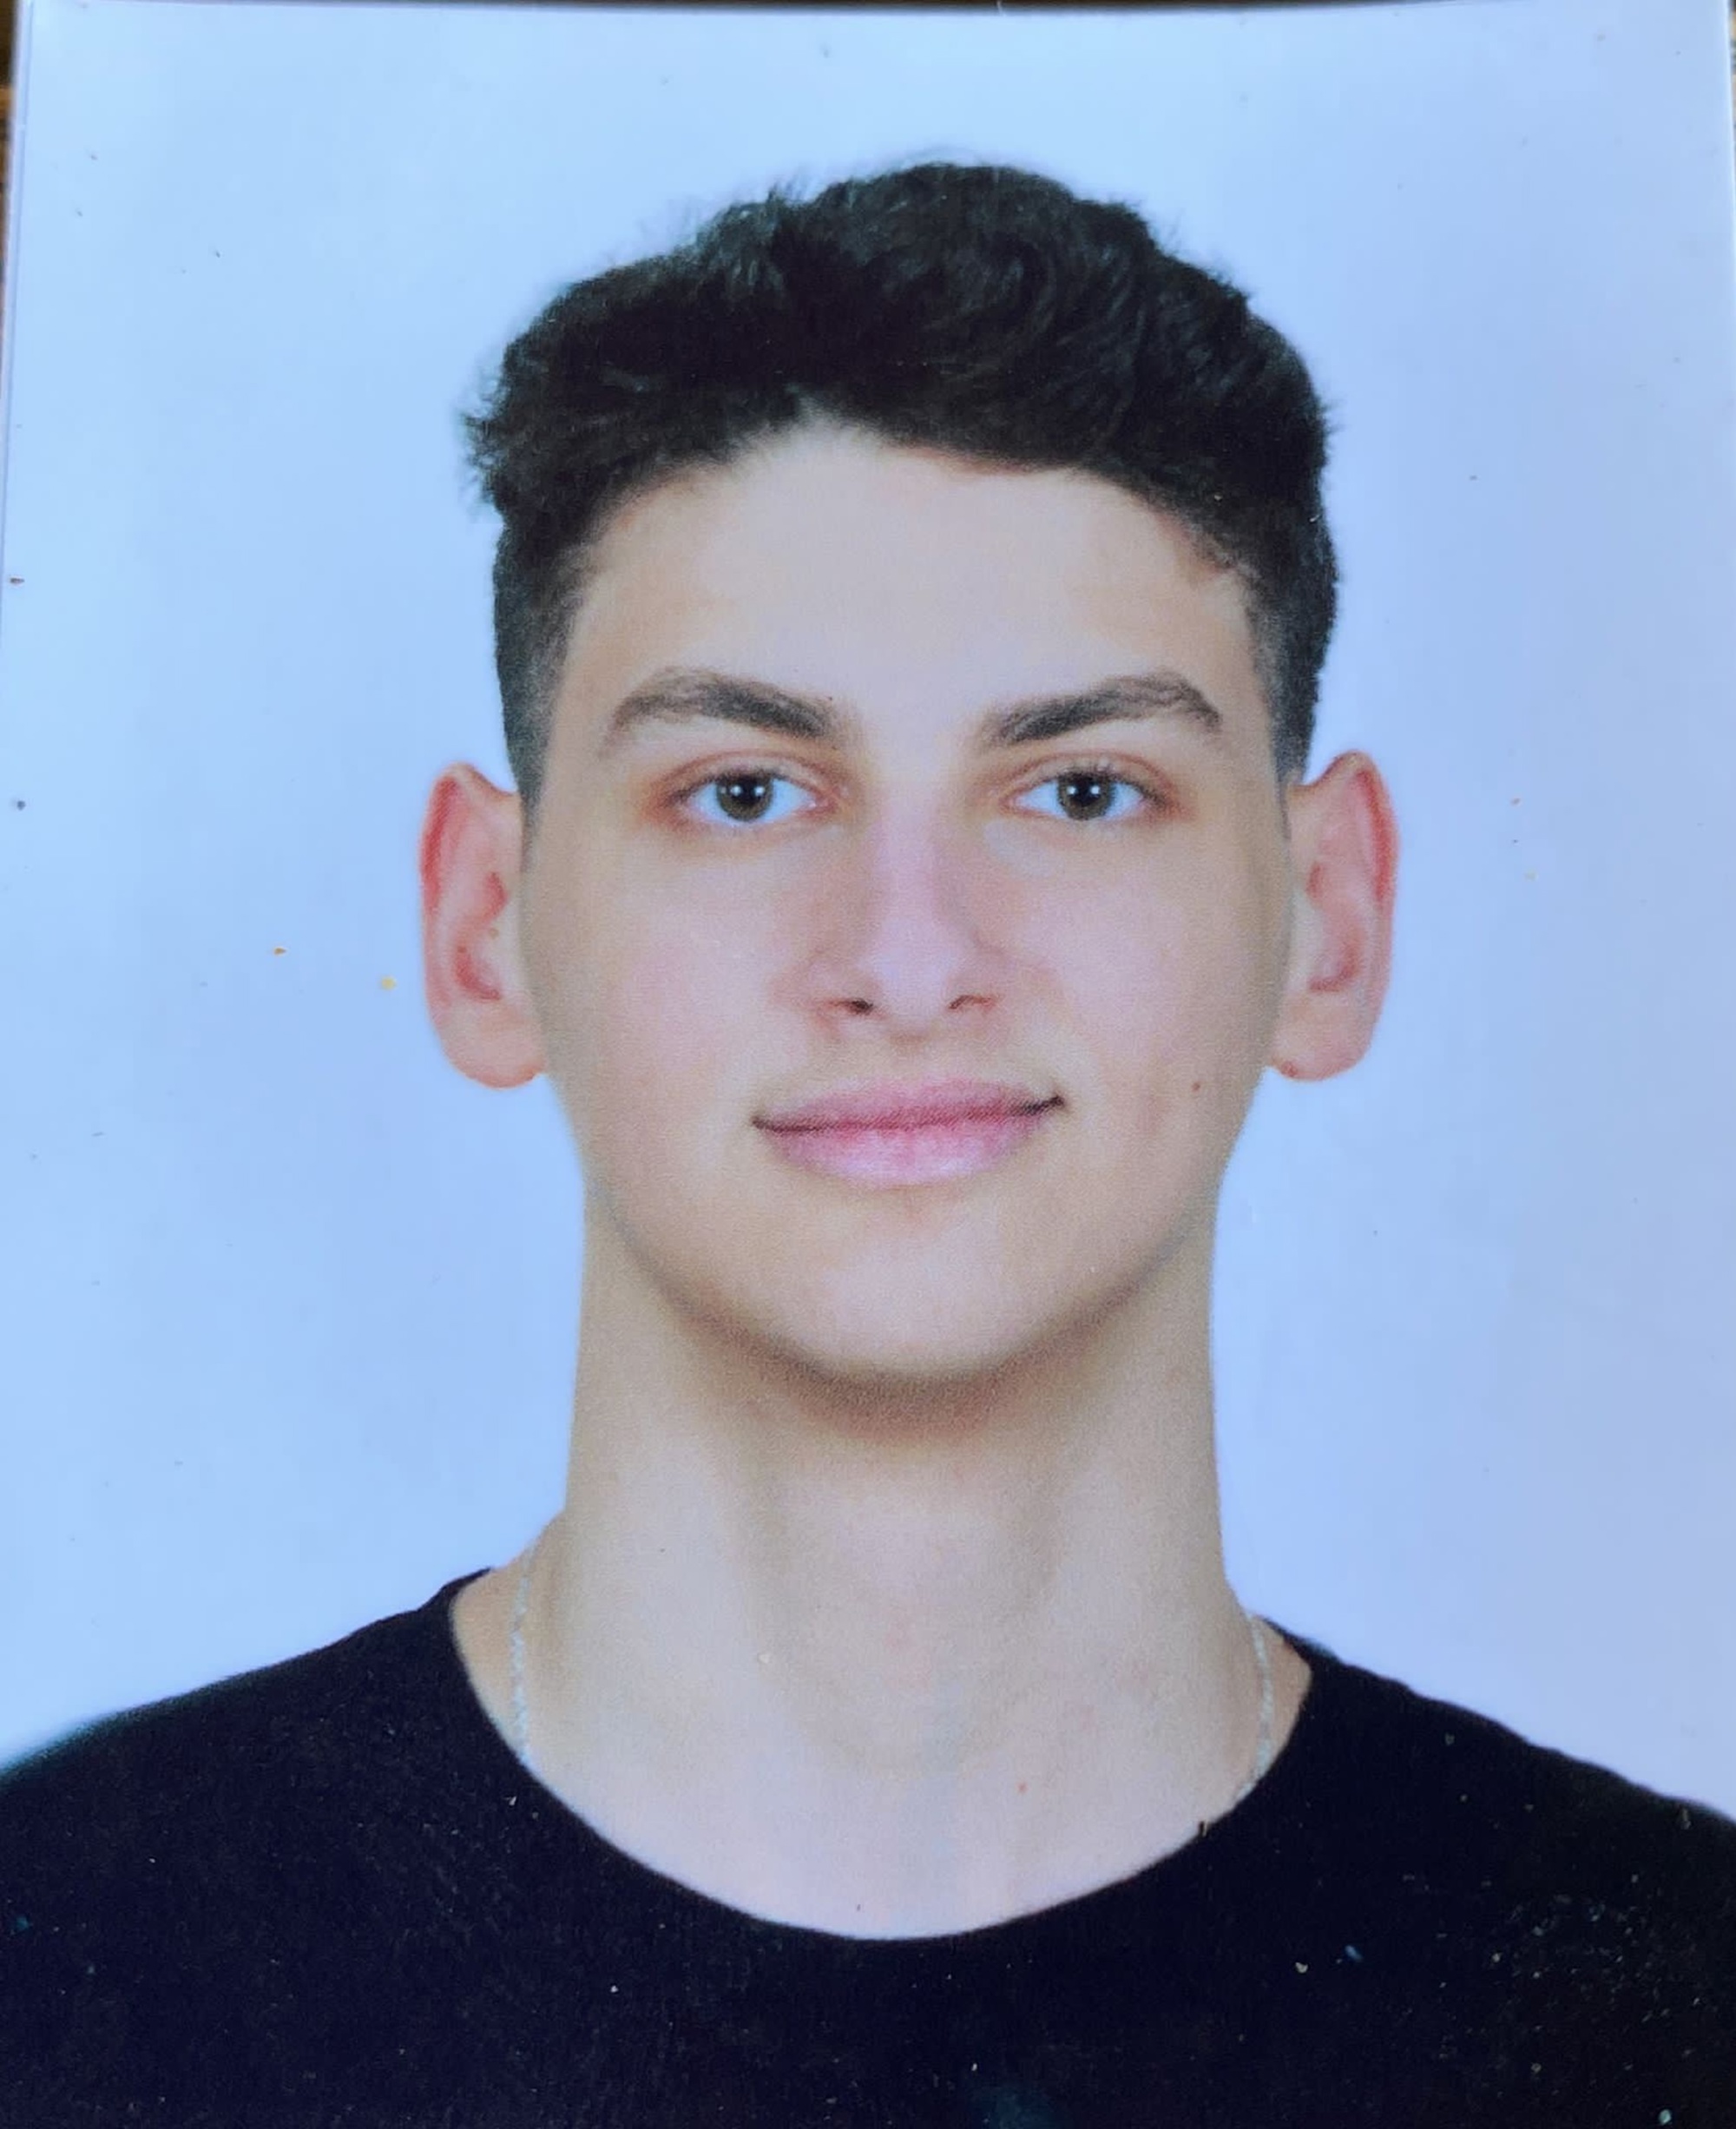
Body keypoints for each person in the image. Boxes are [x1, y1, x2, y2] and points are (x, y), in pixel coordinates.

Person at [2, 161, 1732, 2128]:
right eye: (746, 792)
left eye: (1081, 791)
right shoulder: (67, 1959)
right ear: (482, 926)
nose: (909, 964)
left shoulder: (1665, 1993)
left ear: (1329, 919)